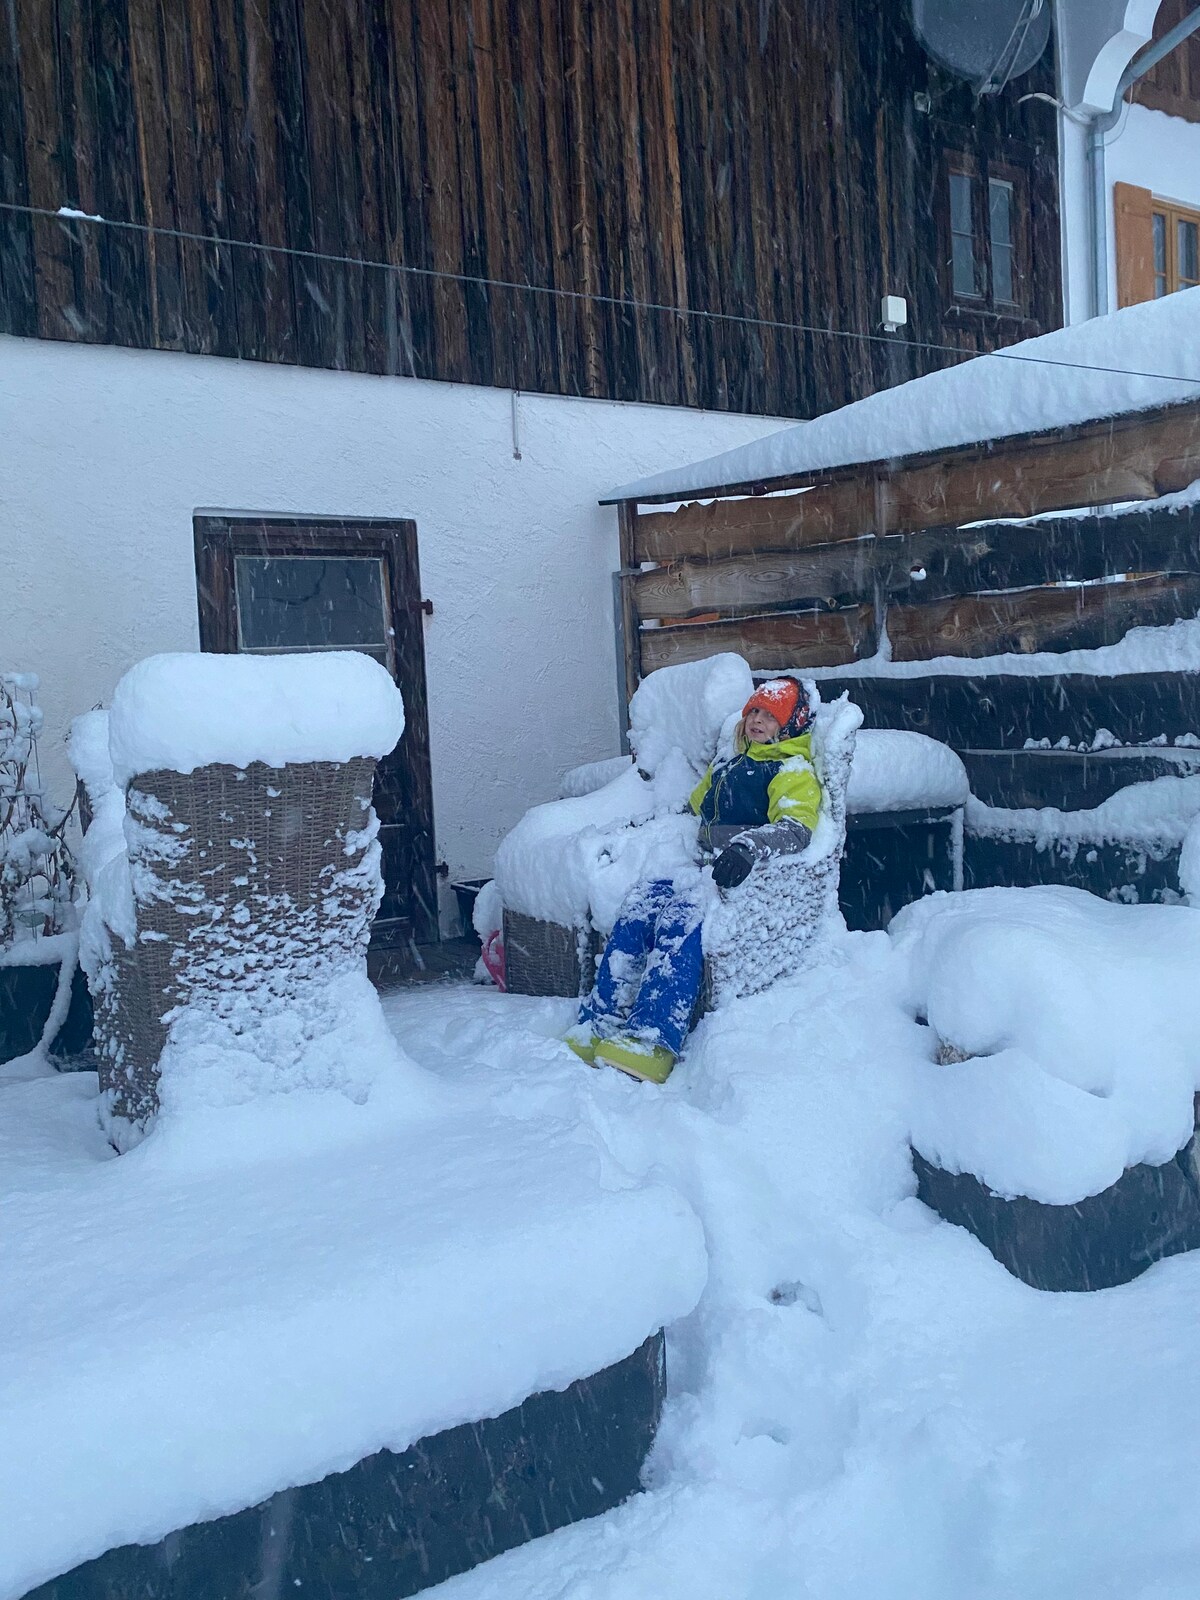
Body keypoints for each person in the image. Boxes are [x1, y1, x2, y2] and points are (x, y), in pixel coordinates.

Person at [566, 677, 822, 1084]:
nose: (757, 720)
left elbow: (796, 827)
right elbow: (692, 809)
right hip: (699, 865)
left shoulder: (792, 769)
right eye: (753, 711)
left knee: (678, 919)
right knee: (640, 905)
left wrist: (749, 846)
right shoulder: (729, 765)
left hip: (740, 879)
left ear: (791, 725)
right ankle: (603, 1018)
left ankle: (654, 1037)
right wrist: (648, 826)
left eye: (769, 716)